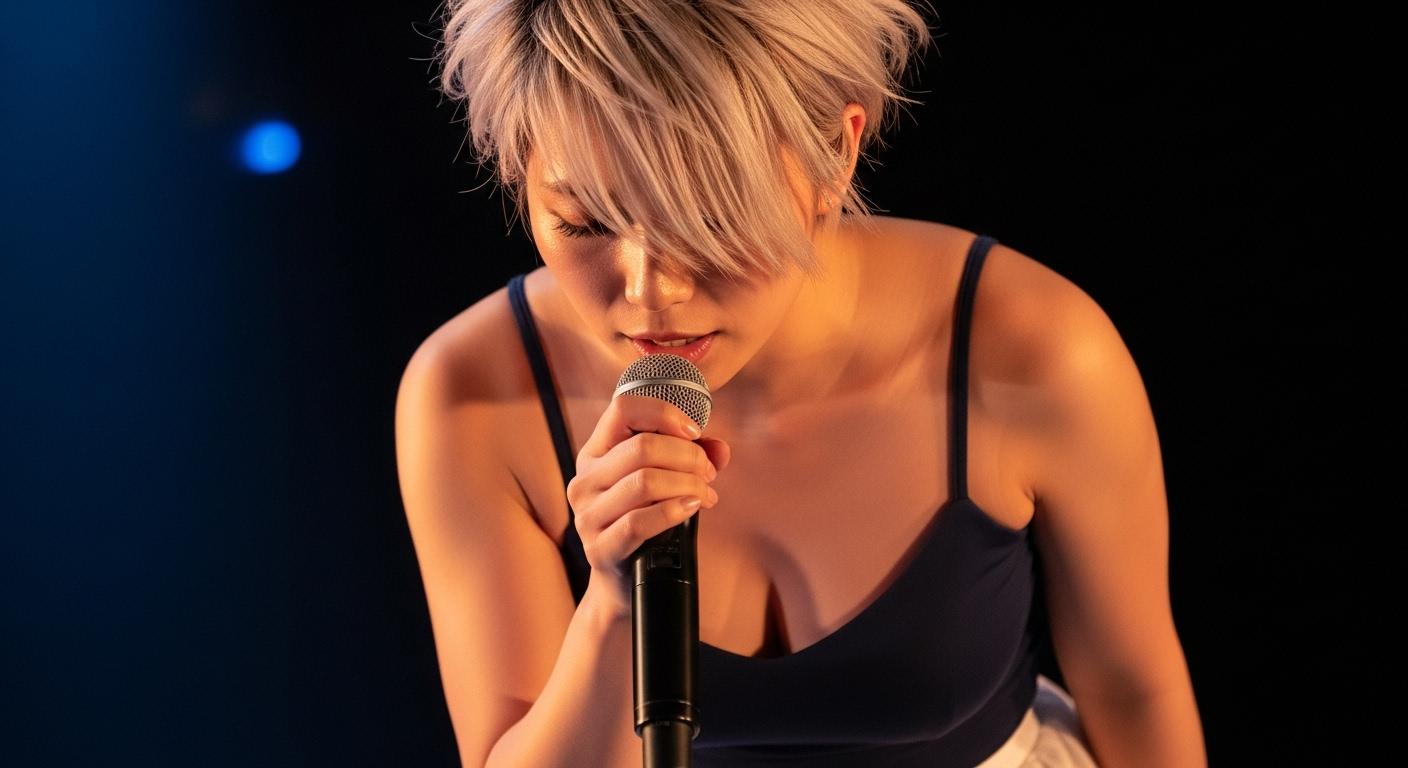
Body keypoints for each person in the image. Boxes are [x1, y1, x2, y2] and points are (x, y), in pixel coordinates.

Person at [395, 1, 1207, 766]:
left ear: (836, 155)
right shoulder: (469, 394)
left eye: (710, 216)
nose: (649, 291)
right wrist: (614, 604)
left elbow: (1135, 691)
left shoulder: (1032, 349)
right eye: (584, 223)